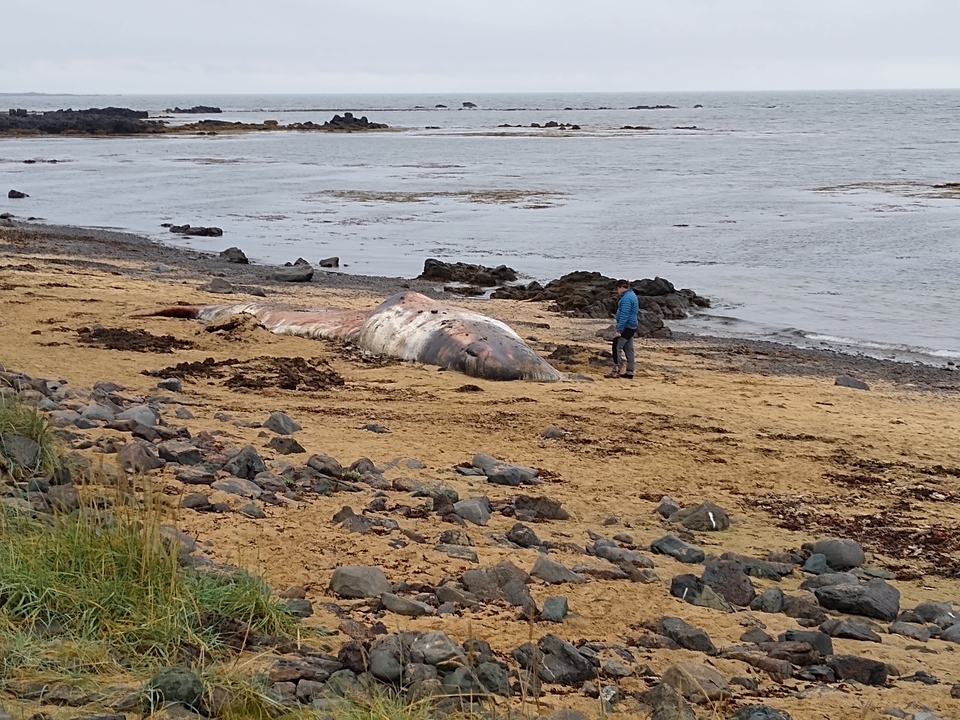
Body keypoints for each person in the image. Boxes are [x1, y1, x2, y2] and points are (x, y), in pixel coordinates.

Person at [606, 279, 638, 379]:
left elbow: (625, 315)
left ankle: (615, 371)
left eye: (617, 289)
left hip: (627, 326)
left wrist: (619, 331)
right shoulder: (632, 295)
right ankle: (630, 372)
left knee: (616, 346)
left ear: (621, 287)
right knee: (628, 348)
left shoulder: (626, 298)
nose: (617, 292)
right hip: (632, 325)